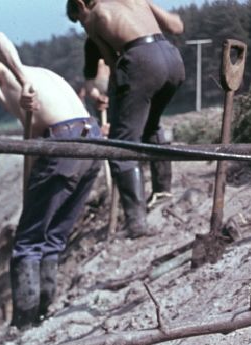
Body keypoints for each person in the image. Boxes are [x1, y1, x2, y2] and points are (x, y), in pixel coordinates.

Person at [0, 34, 104, 329]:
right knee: (53, 238)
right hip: (91, 139)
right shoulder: (38, 75)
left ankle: (23, 322)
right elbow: (34, 134)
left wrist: (23, 83)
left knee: (27, 243)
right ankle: (44, 313)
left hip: (65, 141)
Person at [67, 0, 185, 235]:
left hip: (142, 62)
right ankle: (163, 190)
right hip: (173, 60)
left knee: (122, 145)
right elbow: (177, 27)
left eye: (79, 20)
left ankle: (136, 223)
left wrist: (118, 96)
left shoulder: (95, 16)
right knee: (151, 125)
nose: (83, 26)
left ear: (81, 5)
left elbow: (112, 61)